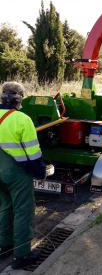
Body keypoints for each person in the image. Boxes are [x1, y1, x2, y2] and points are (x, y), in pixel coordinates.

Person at [0, 82, 46, 269]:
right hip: (16, 173)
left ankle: (4, 245)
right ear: (19, 99)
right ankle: (22, 255)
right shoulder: (22, 120)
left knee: (4, 207)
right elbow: (33, 155)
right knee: (23, 210)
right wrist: (40, 171)